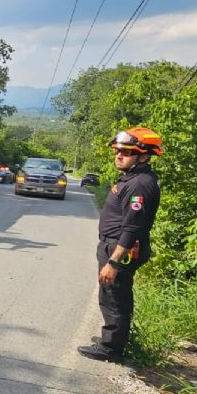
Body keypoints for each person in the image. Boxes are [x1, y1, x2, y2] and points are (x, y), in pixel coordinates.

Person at [78, 127, 163, 363]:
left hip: (120, 249)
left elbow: (133, 228)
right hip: (114, 245)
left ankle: (112, 349)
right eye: (118, 151)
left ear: (144, 156)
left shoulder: (140, 185)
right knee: (111, 293)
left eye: (126, 152)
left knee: (115, 296)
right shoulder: (134, 178)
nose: (118, 155)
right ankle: (111, 339)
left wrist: (114, 261)